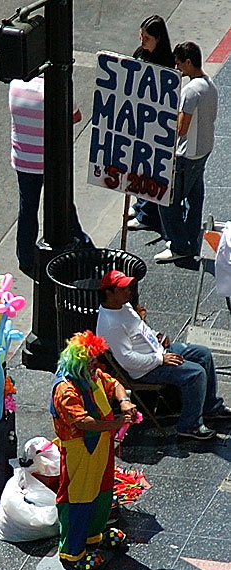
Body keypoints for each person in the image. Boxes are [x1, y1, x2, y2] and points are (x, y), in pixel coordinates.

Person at [96, 270, 231, 440]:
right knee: (195, 374)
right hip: (146, 368)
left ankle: (211, 407)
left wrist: (158, 335)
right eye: (123, 289)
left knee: (203, 354)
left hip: (158, 351)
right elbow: (127, 360)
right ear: (109, 293)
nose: (129, 290)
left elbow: (141, 329)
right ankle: (190, 425)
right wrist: (160, 359)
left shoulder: (123, 305)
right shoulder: (111, 324)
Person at [49, 330, 137, 570]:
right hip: (80, 451)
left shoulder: (93, 376)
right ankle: (72, 552)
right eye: (90, 362)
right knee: (78, 499)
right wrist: (116, 424)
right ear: (78, 363)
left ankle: (94, 536)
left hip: (102, 446)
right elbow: (83, 422)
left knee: (103, 491)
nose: (95, 366)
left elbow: (114, 383)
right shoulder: (66, 391)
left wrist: (124, 401)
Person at [9, 75, 92, 277]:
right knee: (63, 205)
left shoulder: (15, 85)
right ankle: (84, 246)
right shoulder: (55, 87)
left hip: (23, 158)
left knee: (27, 209)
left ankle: (26, 257)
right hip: (50, 160)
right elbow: (76, 116)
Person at [154, 42, 218, 263]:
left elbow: (181, 128)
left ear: (189, 62)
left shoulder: (190, 91)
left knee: (167, 200)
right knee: (194, 196)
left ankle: (179, 245)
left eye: (180, 63)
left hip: (186, 155)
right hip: (203, 150)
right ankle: (191, 239)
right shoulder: (210, 85)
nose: (178, 67)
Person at [128, 15, 175, 233]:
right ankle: (139, 205)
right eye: (141, 35)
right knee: (136, 166)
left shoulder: (165, 63)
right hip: (138, 119)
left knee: (149, 169)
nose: (142, 40)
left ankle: (147, 213)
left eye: (146, 37)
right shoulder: (141, 54)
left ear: (158, 39)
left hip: (153, 125)